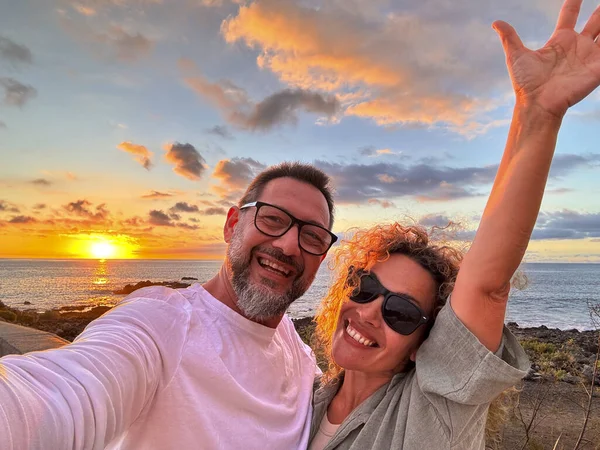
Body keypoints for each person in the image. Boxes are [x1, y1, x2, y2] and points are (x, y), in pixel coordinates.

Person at [307, 1, 600, 449]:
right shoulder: (299, 402)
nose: (366, 312)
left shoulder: (433, 412)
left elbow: (485, 286)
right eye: (363, 286)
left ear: (429, 344)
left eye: (400, 312)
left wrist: (536, 114)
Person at [0, 162, 337, 449]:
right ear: (232, 225)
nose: (290, 245)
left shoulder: (293, 344)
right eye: (273, 219)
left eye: (312, 237)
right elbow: (64, 393)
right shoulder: (162, 324)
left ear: (321, 257)